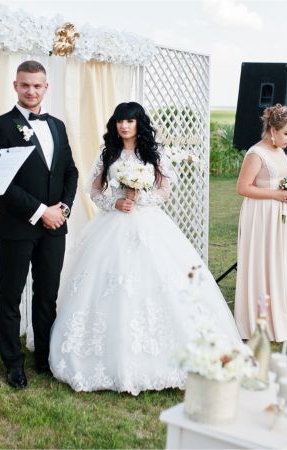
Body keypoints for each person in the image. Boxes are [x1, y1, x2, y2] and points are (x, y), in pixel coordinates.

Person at [48, 102, 239, 395]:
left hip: (149, 223)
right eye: (120, 121)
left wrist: (140, 199)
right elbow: (95, 191)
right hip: (112, 224)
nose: (124, 126)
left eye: (130, 121)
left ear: (139, 124)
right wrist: (116, 203)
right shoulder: (108, 153)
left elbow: (164, 190)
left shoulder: (154, 152)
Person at [0, 60, 78, 389]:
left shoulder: (57, 126)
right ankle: (13, 363)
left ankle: (44, 357)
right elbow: (1, 182)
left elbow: (70, 171)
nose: (31, 91)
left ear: (46, 87)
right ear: (15, 86)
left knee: (47, 294)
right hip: (17, 225)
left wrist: (63, 208)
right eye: (25, 85)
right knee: (10, 294)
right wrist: (41, 211)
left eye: (37, 85)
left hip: (56, 226)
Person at [234, 104, 287, 342]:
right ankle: (255, 322)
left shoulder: (280, 152)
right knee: (261, 263)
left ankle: (278, 319)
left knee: (277, 263)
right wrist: (275, 195)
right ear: (272, 129)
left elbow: (277, 179)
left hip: (277, 214)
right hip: (260, 214)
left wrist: (286, 191)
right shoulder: (256, 153)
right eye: (286, 134)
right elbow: (242, 188)